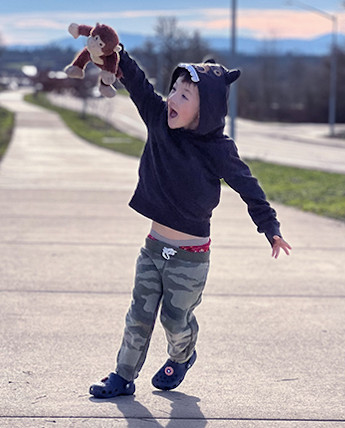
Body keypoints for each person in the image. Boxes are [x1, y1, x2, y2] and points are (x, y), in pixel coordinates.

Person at [89, 45, 291, 398]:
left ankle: (182, 355)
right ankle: (122, 376)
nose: (173, 99)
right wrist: (118, 54)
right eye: (174, 91)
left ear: (205, 110)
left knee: (174, 320)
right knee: (139, 314)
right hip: (153, 248)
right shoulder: (158, 119)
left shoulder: (218, 149)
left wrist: (270, 228)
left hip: (190, 257)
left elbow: (249, 188)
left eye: (185, 95)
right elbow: (138, 84)